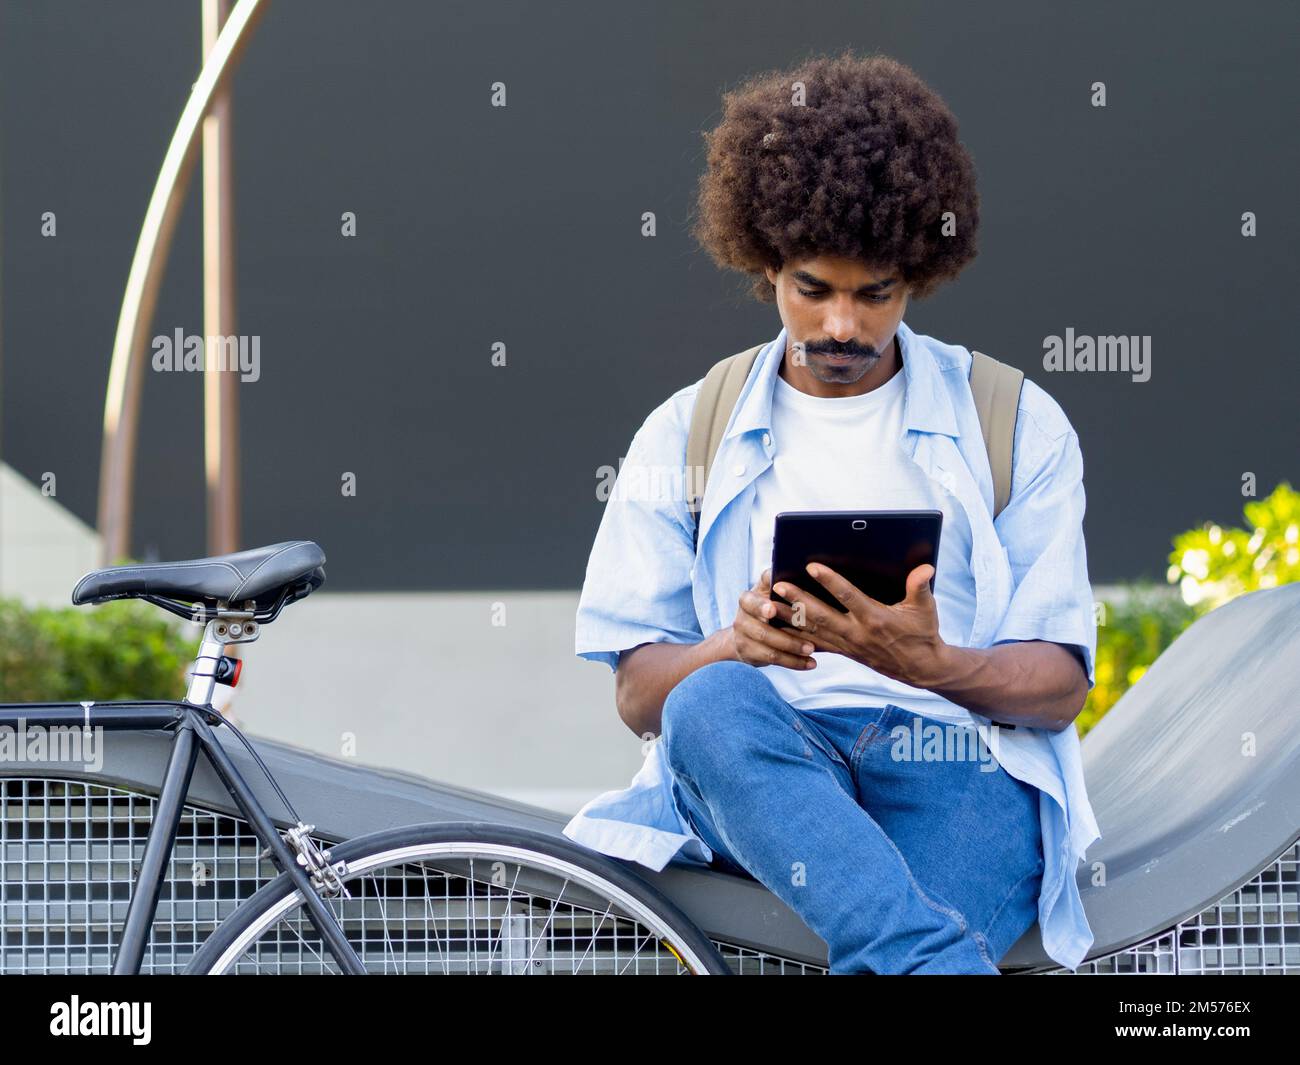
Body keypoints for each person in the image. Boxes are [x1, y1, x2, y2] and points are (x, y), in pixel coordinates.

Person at [564, 50, 1100, 974]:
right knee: (711, 703)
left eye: (873, 293)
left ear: (918, 275)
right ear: (766, 265)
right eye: (813, 289)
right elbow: (642, 698)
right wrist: (733, 643)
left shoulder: (1014, 422)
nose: (842, 326)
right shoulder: (687, 431)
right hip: (775, 767)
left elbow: (1059, 685)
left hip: (954, 761)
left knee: (909, 929)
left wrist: (935, 664)